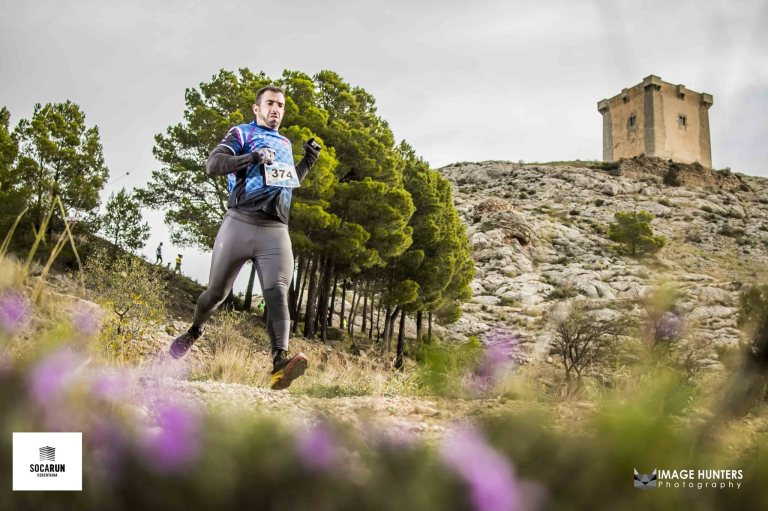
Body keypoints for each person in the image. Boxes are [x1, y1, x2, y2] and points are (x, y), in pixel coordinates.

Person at [169, 85, 321, 391]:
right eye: (270, 103)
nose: (276, 109)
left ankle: (280, 363)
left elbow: (286, 181)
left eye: (280, 105)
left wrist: (307, 162)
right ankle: (194, 332)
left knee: (277, 291)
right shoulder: (241, 133)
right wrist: (250, 157)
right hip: (239, 224)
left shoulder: (285, 143)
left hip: (275, 231)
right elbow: (212, 165)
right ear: (257, 108)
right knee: (215, 294)